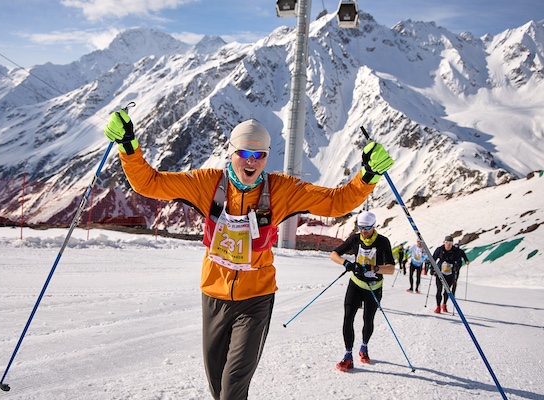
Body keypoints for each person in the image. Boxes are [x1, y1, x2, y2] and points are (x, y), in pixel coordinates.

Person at [104, 112, 394, 400]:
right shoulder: (207, 183)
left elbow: (336, 202)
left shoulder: (281, 190)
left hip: (256, 299)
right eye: (244, 153)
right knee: (218, 388)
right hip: (214, 296)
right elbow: (150, 183)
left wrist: (368, 176)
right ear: (231, 152)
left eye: (260, 155)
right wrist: (128, 145)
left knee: (232, 390)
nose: (251, 161)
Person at [329, 211, 395, 372]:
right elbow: (334, 254)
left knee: (368, 320)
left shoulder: (382, 242)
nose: (363, 231)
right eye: (361, 227)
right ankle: (348, 356)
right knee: (348, 318)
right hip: (356, 284)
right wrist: (346, 263)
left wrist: (373, 268)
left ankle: (364, 346)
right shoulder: (355, 239)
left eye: (366, 228)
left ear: (374, 226)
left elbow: (391, 269)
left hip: (373, 287)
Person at [431, 236, 470, 313]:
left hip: (450, 274)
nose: (448, 245)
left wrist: (457, 266)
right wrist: (432, 269)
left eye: (450, 243)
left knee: (447, 290)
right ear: (444, 242)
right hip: (440, 273)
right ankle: (438, 306)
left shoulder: (456, 251)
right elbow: (433, 259)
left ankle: (444, 304)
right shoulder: (440, 249)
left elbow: (459, 260)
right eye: (447, 243)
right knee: (439, 290)